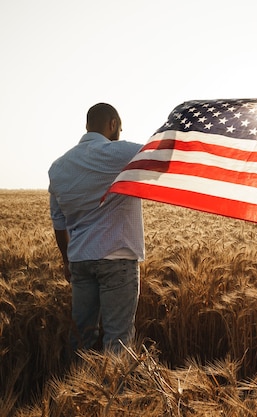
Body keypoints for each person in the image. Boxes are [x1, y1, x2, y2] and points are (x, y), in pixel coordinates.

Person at [48, 103, 144, 355]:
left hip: (80, 260)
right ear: (112, 124)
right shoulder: (119, 153)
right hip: (117, 259)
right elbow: (161, 154)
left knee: (81, 336)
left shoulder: (58, 167)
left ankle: (77, 392)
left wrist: (66, 260)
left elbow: (58, 221)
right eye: (119, 128)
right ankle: (116, 394)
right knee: (118, 340)